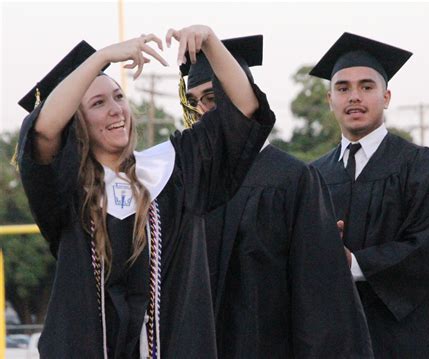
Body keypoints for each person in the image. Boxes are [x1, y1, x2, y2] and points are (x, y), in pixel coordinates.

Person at [16, 25, 275, 358]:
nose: (116, 110)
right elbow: (44, 133)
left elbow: (244, 110)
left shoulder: (175, 170)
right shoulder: (66, 192)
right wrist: (103, 57)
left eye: (119, 97)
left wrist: (210, 41)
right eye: (97, 103)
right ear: (75, 122)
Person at [179, 35, 373, 358]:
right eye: (193, 100)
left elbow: (321, 304)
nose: (201, 110)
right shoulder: (186, 182)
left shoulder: (292, 180)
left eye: (212, 97)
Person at [310, 32, 429, 357]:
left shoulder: (416, 163)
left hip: (411, 339)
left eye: (367, 87)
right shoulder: (315, 175)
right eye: (343, 88)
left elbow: (427, 247)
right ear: (330, 100)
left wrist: (352, 262)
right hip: (343, 340)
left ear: (386, 97)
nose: (354, 97)